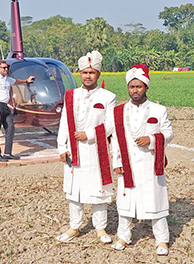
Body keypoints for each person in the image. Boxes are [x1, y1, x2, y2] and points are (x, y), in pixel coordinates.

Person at [110, 64, 174, 256]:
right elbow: (114, 138)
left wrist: (152, 139)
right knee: (126, 200)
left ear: (146, 87)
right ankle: (123, 236)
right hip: (127, 163)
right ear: (128, 88)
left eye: (139, 86)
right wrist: (117, 162)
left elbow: (168, 133)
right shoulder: (118, 111)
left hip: (150, 163)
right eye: (132, 87)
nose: (135, 90)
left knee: (155, 200)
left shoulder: (158, 109)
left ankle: (162, 240)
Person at [56, 50, 117, 244]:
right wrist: (61, 147)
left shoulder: (108, 97)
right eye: (84, 72)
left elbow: (110, 124)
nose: (88, 76)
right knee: (74, 191)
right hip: (73, 150)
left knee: (98, 190)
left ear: (98, 74)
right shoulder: (70, 96)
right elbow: (64, 121)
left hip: (96, 151)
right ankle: (74, 226)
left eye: (92, 72)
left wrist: (89, 134)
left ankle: (100, 228)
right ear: (79, 74)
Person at [0, 60, 35, 162]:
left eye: (6, 68)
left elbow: (15, 81)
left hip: (5, 106)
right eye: (4, 68)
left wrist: (26, 81)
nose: (6, 69)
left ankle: (7, 153)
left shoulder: (7, 79)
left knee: (10, 128)